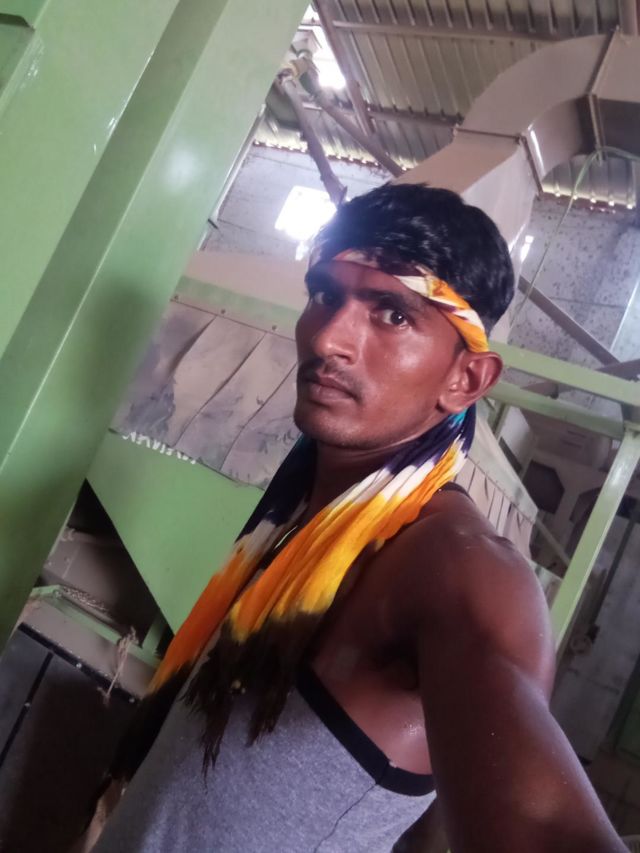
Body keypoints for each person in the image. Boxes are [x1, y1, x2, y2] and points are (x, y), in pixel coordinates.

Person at [86, 185, 625, 852]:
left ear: (466, 379)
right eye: (324, 294)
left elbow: (544, 831)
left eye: (393, 314)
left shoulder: (458, 568)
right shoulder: (304, 518)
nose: (329, 337)